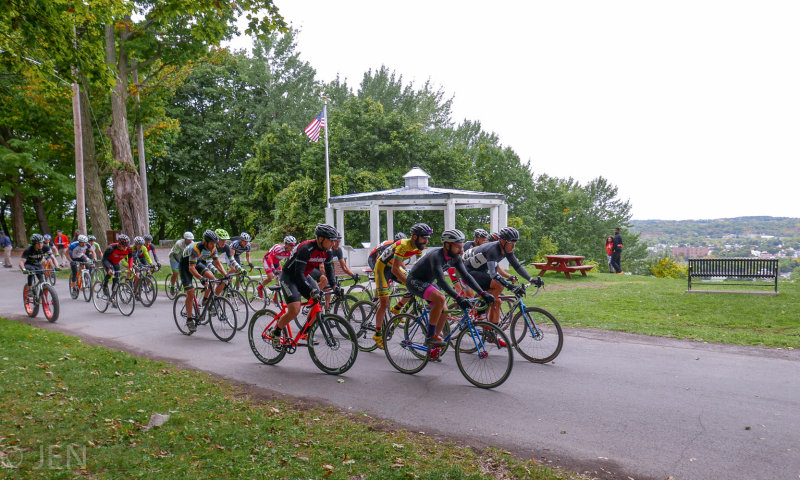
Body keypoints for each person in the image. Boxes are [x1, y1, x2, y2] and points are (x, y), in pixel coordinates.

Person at [404, 229, 494, 346]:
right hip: (414, 281)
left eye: (462, 247)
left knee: (444, 310)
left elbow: (466, 276)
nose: (461, 251)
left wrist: (482, 293)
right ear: (447, 245)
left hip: (428, 281)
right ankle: (430, 336)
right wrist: (459, 298)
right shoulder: (436, 256)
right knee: (440, 298)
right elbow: (441, 281)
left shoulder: (455, 257)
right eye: (458, 247)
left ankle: (433, 343)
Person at [269, 224, 342, 349]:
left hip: (304, 275)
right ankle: (275, 332)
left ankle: (306, 333)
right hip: (290, 277)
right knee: (295, 310)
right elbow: (298, 274)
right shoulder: (306, 248)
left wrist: (335, 286)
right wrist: (311, 289)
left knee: (318, 303)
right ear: (320, 239)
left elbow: (329, 271)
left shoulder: (327, 252)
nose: (333, 243)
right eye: (331, 240)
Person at [462, 226, 542, 330]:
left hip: (480, 271)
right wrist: (511, 286)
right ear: (503, 241)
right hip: (469, 272)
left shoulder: (506, 250)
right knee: (498, 285)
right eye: (511, 243)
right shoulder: (493, 250)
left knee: (497, 302)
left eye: (515, 243)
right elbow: (493, 275)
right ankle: (480, 311)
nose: (513, 246)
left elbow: (517, 266)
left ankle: (492, 332)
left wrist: (531, 279)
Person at [372, 223, 431, 349]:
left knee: (415, 285)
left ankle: (398, 307)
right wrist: (410, 282)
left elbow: (418, 266)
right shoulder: (403, 245)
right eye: (424, 238)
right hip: (382, 268)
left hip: (394, 266)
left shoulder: (419, 247)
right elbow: (395, 270)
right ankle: (377, 334)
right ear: (414, 237)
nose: (426, 241)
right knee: (384, 303)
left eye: (427, 238)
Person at [179, 229, 228, 332]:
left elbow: (217, 263)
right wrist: (201, 278)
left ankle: (205, 300)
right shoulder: (196, 248)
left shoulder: (213, 248)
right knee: (191, 292)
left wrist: (226, 275)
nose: (213, 246)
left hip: (197, 263)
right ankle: (189, 319)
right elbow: (191, 268)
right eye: (211, 243)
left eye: (215, 243)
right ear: (205, 242)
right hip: (185, 266)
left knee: (212, 279)